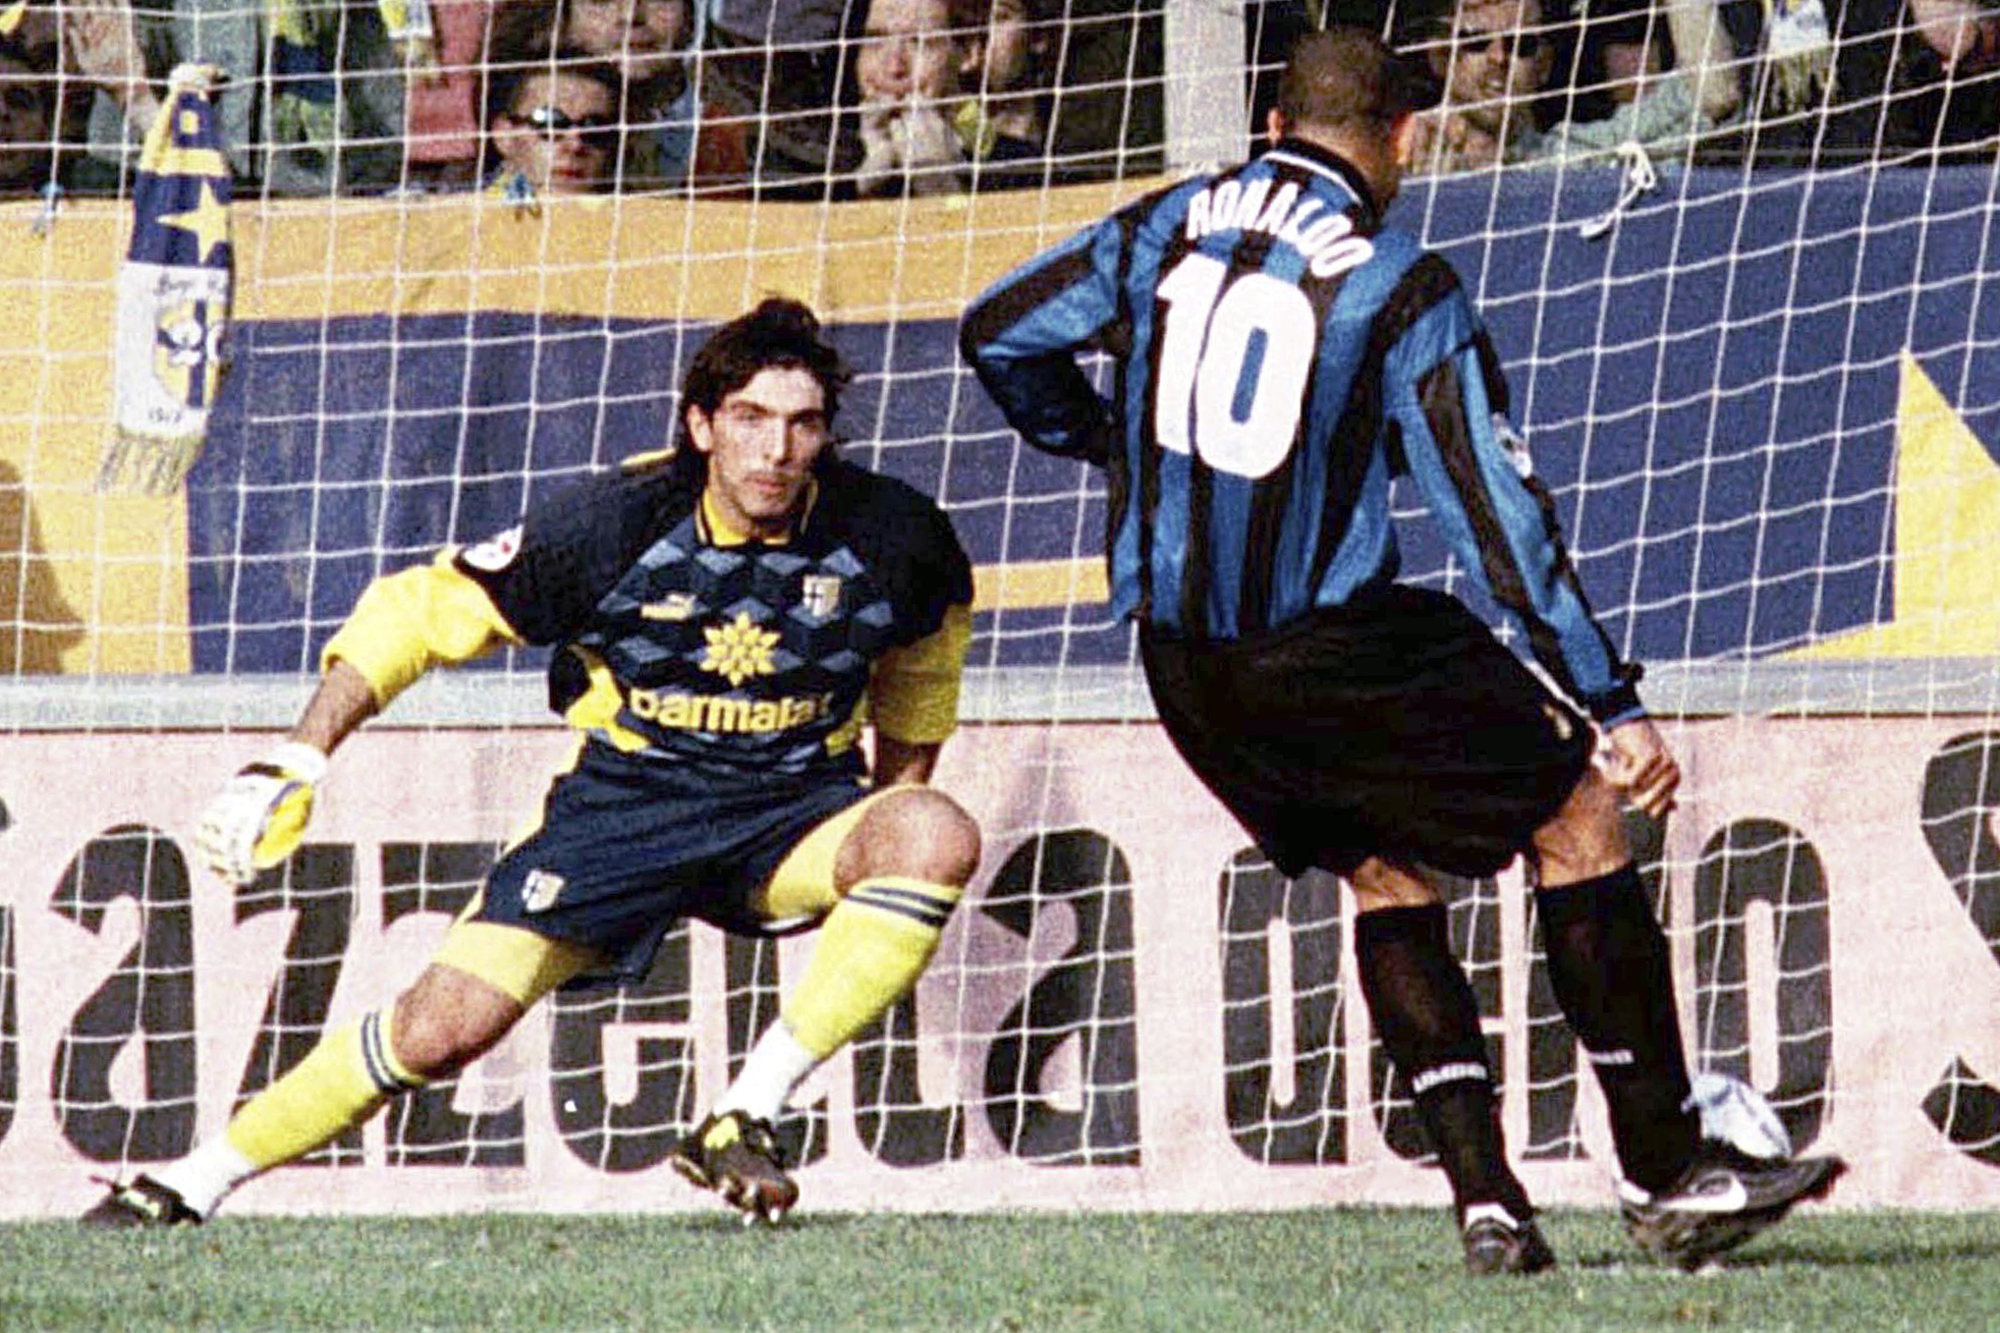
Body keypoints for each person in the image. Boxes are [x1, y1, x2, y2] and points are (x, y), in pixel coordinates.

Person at [959, 26, 1845, 1275]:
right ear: (1402, 138)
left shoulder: (1162, 223)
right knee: (1578, 816)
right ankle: (1667, 1168)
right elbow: (1496, 521)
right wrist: (1607, 699)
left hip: (1184, 665)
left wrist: (1105, 443)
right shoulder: (1396, 281)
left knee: (1385, 872)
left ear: (1271, 127)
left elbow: (997, 331)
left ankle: (1488, 1203)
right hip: (1330, 644)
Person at [82, 297, 981, 1229]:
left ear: (826, 435)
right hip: (623, 810)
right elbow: (418, 614)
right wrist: (298, 755)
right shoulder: (612, 524)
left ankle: (747, 1111)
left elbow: (920, 690)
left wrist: (885, 832)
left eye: (802, 424)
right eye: (750, 419)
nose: (777, 450)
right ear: (702, 426)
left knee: (933, 831)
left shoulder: (897, 538)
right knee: (437, 1031)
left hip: (791, 817)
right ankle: (189, 1183)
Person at [851, 0, 1045, 197]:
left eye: (919, 42)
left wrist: (938, 183)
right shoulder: (832, 153)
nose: (894, 67)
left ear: (969, 53)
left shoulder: (1020, 168)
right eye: (874, 42)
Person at [481, 51, 626, 197]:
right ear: (504, 136)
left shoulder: (631, 207)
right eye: (551, 123)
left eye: (594, 128)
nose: (575, 145)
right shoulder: (471, 208)